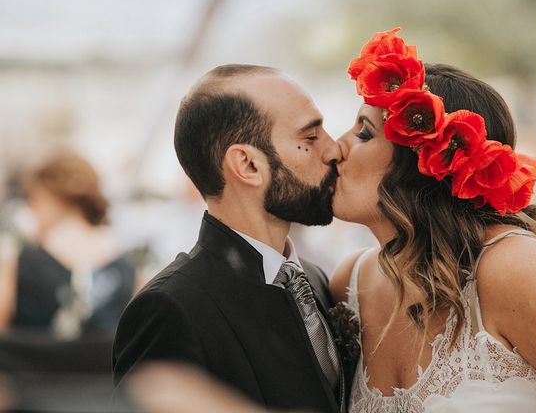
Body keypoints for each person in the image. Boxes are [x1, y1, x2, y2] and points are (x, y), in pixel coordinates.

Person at [329, 29, 536, 412]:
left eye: (363, 132)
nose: (334, 147)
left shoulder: (519, 270)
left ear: (423, 164)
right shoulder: (350, 284)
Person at [112, 65, 346, 413]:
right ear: (248, 165)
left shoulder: (315, 279)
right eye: (310, 138)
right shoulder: (170, 308)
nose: (334, 149)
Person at [0, 153, 135, 339]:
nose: (31, 210)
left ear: (55, 197)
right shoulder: (126, 266)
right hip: (103, 367)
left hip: (34, 366)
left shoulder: (19, 261)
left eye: (34, 200)